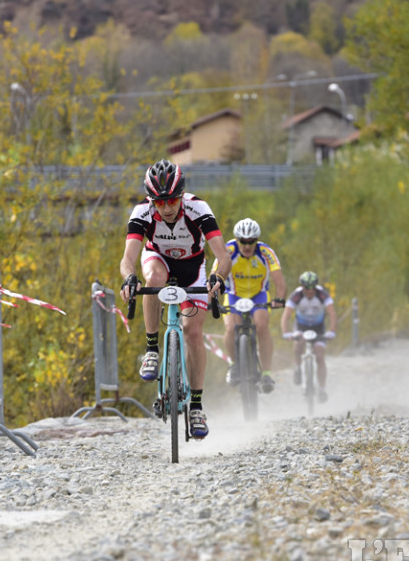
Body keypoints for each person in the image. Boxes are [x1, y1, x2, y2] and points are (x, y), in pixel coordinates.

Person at [119, 159, 231, 439]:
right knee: (153, 281)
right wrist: (128, 278)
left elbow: (223, 257)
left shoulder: (198, 208)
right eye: (159, 203)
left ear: (181, 196)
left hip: (193, 267)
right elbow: (128, 259)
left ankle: (195, 407)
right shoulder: (142, 212)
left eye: (171, 201)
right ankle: (152, 349)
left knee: (194, 332)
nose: (167, 208)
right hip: (158, 259)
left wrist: (217, 278)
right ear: (150, 201)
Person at [212, 218, 287, 393]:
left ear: (256, 240)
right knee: (230, 328)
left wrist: (280, 297)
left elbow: (279, 280)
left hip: (258, 295)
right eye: (243, 241)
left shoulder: (266, 251)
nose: (247, 246)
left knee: (262, 325)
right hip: (234, 295)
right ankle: (233, 365)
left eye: (251, 241)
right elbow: (214, 276)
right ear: (237, 240)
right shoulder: (228, 250)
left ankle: (267, 373)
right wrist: (212, 299)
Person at [280, 271, 337, 403]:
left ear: (316, 287)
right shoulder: (296, 295)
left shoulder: (323, 294)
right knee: (298, 343)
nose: (310, 291)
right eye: (307, 288)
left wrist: (332, 331)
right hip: (301, 326)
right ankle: (298, 367)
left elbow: (332, 313)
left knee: (320, 354)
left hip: (318, 327)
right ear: (302, 287)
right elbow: (286, 315)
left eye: (313, 288)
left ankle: (322, 389)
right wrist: (286, 332)